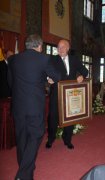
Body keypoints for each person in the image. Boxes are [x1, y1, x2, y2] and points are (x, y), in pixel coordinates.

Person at [7, 34, 61, 180]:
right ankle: (22, 175)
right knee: (36, 136)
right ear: (39, 46)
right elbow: (56, 76)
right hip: (34, 107)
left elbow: (11, 83)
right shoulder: (44, 59)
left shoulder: (13, 60)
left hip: (18, 106)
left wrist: (42, 78)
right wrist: (49, 79)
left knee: (21, 139)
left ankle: (27, 174)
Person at [46, 39, 88, 150]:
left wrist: (82, 76)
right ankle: (50, 139)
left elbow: (85, 70)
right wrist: (48, 78)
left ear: (68, 48)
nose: (60, 49)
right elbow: (46, 71)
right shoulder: (52, 59)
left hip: (71, 94)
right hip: (56, 93)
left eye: (62, 47)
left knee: (70, 117)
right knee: (53, 117)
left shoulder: (74, 59)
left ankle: (67, 139)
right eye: (58, 47)